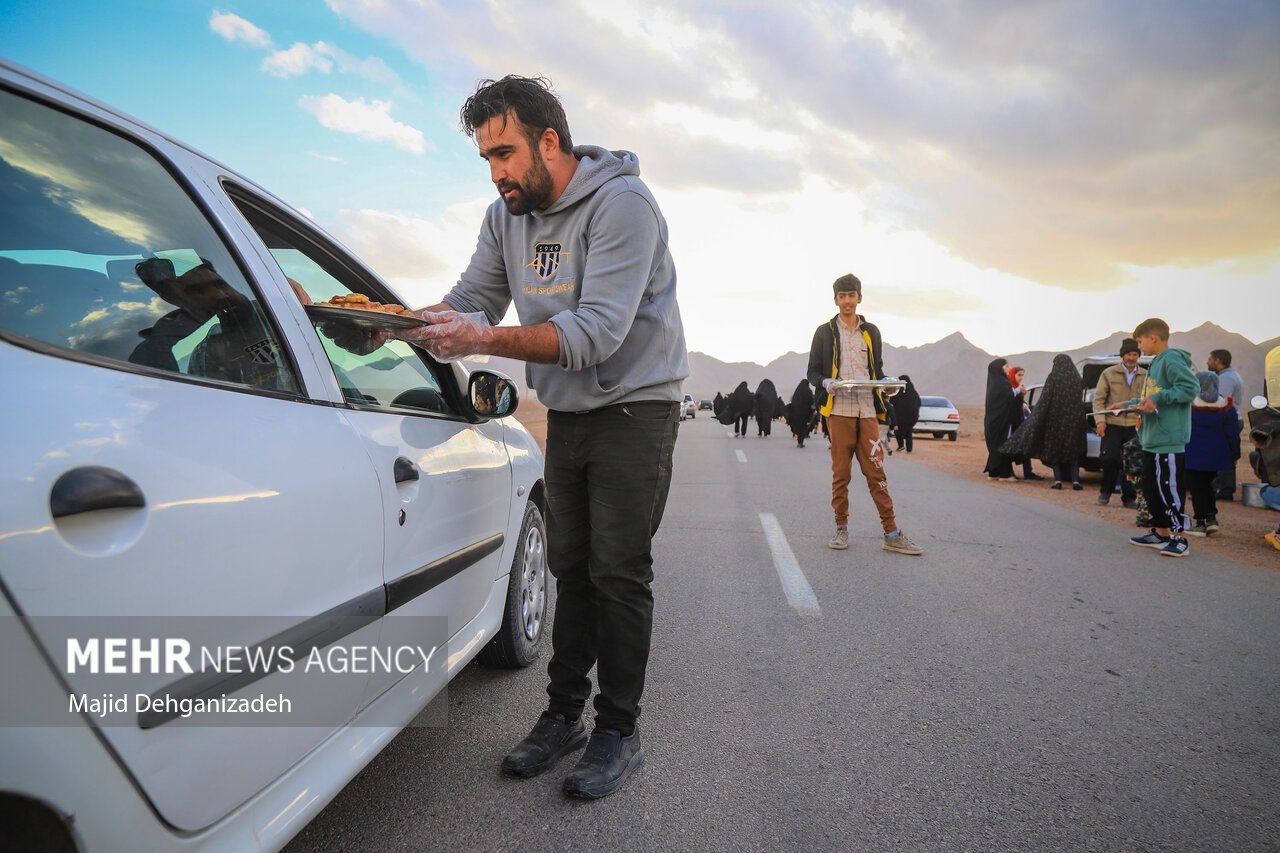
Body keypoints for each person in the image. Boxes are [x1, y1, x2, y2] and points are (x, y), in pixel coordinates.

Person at [400, 75, 687, 798]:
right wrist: (398, 321)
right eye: (485, 160)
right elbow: (470, 301)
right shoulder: (506, 217)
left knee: (618, 569)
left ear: (549, 142)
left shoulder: (625, 205)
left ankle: (619, 729)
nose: (495, 172)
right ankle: (565, 717)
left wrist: (484, 337)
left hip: (635, 405)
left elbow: (594, 332)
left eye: (504, 152)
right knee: (571, 562)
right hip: (570, 408)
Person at [807, 273, 923, 555]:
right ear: (835, 300)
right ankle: (841, 528)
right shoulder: (825, 332)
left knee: (876, 471)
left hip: (867, 411)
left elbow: (876, 371)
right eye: (842, 296)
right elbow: (813, 372)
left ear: (859, 297)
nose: (847, 301)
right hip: (839, 411)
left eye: (852, 295)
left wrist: (886, 385)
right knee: (841, 473)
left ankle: (891, 533)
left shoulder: (871, 332)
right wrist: (826, 382)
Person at [1113, 318, 1199, 558]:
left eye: (1140, 342)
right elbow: (1150, 398)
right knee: (1152, 487)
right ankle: (1161, 533)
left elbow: (1190, 388)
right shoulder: (1156, 363)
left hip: (1168, 439)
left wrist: (1158, 400)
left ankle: (1179, 538)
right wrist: (1128, 404)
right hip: (1152, 440)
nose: (1139, 348)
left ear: (1153, 337)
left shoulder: (1171, 358)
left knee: (1169, 488)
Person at [1004, 354, 1086, 490]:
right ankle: (1076, 482)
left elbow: (1046, 399)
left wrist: (1036, 415)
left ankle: (1058, 481)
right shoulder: (1076, 379)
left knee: (1055, 452)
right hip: (1074, 422)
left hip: (1055, 422)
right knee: (1073, 453)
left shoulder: (1053, 378)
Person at [1092, 338, 1147, 507]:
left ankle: (1129, 498)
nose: (1132, 358)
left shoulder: (1145, 375)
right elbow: (1099, 400)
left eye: (1135, 354)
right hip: (1112, 423)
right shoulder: (1108, 374)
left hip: (1134, 424)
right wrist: (1100, 421)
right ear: (1123, 355)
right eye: (1129, 354)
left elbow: (1148, 400)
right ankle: (1105, 493)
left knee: (1132, 462)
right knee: (1110, 459)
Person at [1184, 372, 1239, 537]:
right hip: (1217, 455)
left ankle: (1200, 522)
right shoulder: (1226, 406)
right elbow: (1233, 433)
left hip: (1193, 454)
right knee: (1207, 485)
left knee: (1197, 487)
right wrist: (1234, 454)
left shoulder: (1188, 404)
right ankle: (1211, 518)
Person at [1208, 349, 1245, 502]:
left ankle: (1225, 491)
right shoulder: (1228, 375)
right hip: (1230, 420)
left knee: (1225, 456)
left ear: (1218, 361)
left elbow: (1221, 403)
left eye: (1210, 359)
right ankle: (1218, 488)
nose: (1207, 362)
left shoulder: (1226, 379)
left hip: (1227, 421)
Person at [982, 357, 1018, 481]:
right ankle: (1004, 474)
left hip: (994, 420)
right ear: (1000, 368)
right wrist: (1019, 391)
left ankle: (994, 473)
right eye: (1006, 366)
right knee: (1003, 444)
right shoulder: (1002, 382)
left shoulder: (994, 382)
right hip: (1001, 421)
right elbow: (1008, 396)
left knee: (996, 446)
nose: (1009, 368)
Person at [1006, 365, 1042, 479]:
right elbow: (1007, 404)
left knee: (1025, 447)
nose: (1021, 377)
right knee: (1011, 448)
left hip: (1020, 422)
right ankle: (1009, 472)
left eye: (1022, 375)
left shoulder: (1019, 388)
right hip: (1011, 424)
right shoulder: (1008, 388)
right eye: (1019, 375)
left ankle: (1028, 472)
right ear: (1013, 375)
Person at [890, 374, 921, 452]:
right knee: (908, 432)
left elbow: (892, 401)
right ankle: (909, 449)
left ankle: (901, 446)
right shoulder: (913, 392)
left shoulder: (898, 392)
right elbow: (919, 403)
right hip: (911, 417)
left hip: (900, 416)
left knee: (897, 431)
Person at [783, 378, 815, 447]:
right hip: (805, 413)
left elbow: (793, 402)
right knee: (802, 427)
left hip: (796, 412)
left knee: (798, 426)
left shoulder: (797, 392)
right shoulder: (808, 392)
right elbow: (811, 402)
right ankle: (800, 442)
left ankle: (798, 439)